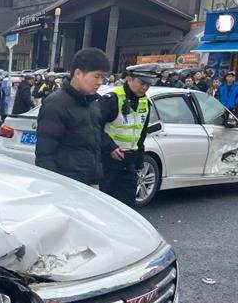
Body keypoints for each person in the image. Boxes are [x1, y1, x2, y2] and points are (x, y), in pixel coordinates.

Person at [35, 48, 110, 188]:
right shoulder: (55, 104)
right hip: (65, 186)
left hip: (89, 184)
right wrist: (53, 187)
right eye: (96, 76)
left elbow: (94, 146)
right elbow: (45, 154)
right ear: (78, 73)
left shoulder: (93, 104)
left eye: (103, 77)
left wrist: (95, 180)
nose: (100, 82)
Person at [98, 64, 158, 208]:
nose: (145, 87)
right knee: (102, 206)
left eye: (148, 84)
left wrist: (139, 162)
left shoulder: (145, 102)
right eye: (141, 83)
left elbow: (141, 135)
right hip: (107, 162)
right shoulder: (112, 99)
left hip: (129, 162)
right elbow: (93, 127)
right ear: (129, 79)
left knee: (127, 207)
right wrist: (110, 147)